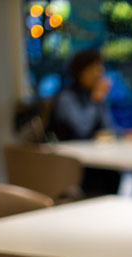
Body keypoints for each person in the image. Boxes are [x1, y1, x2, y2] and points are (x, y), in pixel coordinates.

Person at [48, 49, 125, 196]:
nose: (100, 73)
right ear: (81, 71)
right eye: (95, 68)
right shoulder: (66, 98)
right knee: (104, 177)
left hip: (96, 161)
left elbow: (107, 129)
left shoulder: (93, 97)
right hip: (73, 165)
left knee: (113, 172)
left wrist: (126, 133)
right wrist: (96, 100)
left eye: (101, 68)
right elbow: (82, 129)